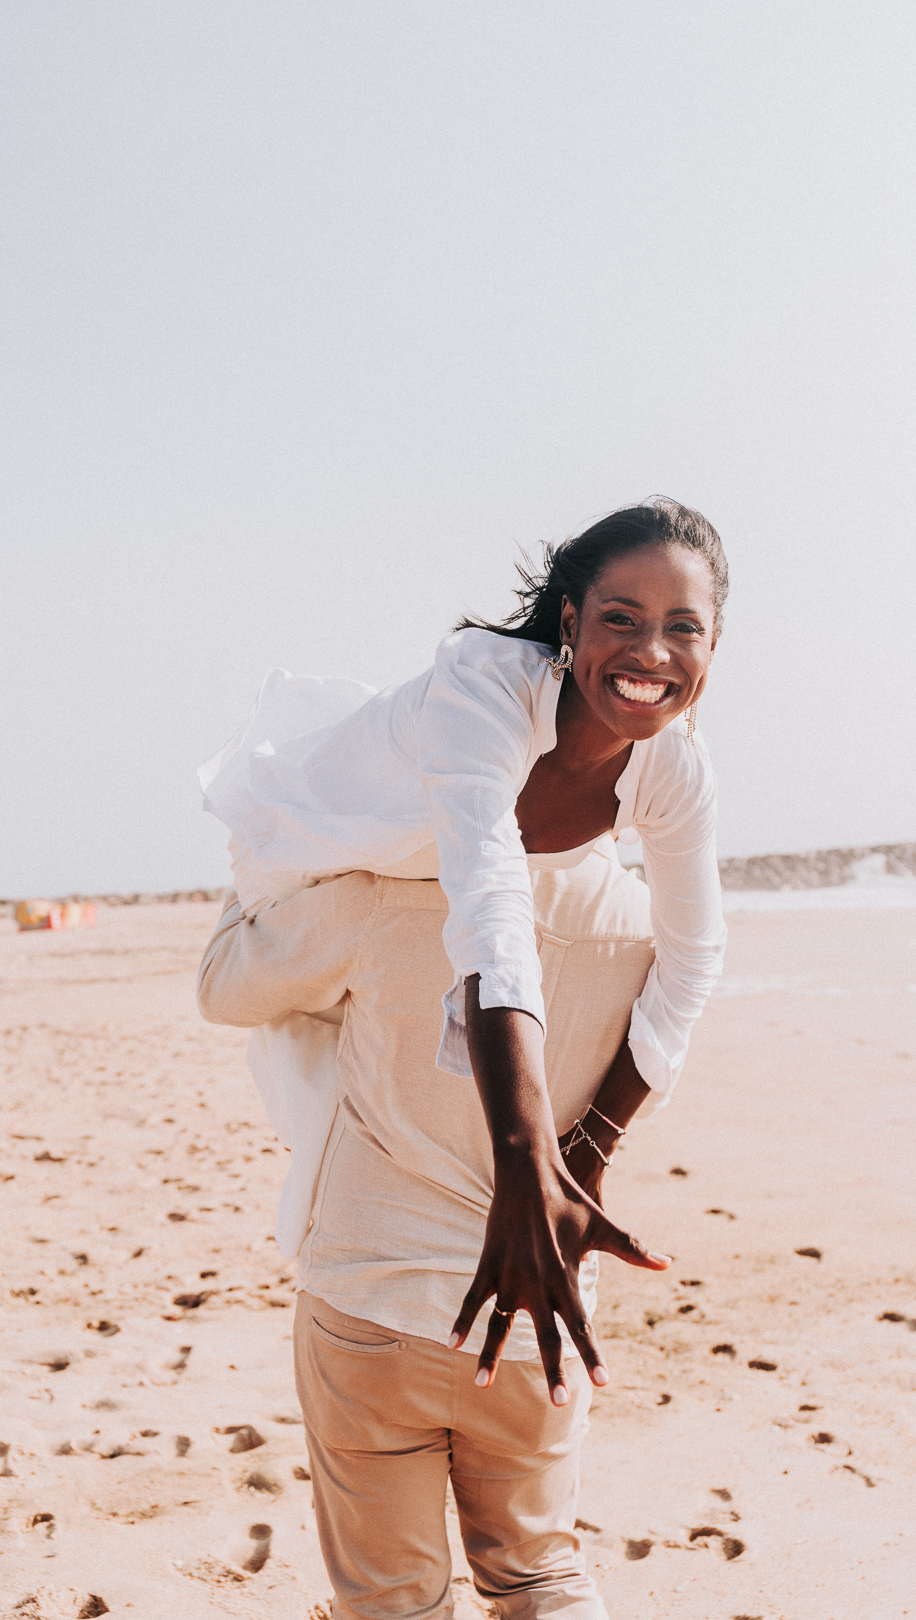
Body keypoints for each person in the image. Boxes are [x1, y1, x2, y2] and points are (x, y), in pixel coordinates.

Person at [197, 497, 728, 1618]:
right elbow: (495, 909)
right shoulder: (483, 697)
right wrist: (539, 1165)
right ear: (570, 622)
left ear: (715, 648)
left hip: (377, 1300)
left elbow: (228, 990)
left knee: (391, 1601)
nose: (651, 651)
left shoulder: (374, 899)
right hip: (539, 1309)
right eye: (623, 619)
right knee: (542, 1575)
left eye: (684, 627)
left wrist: (581, 1149)